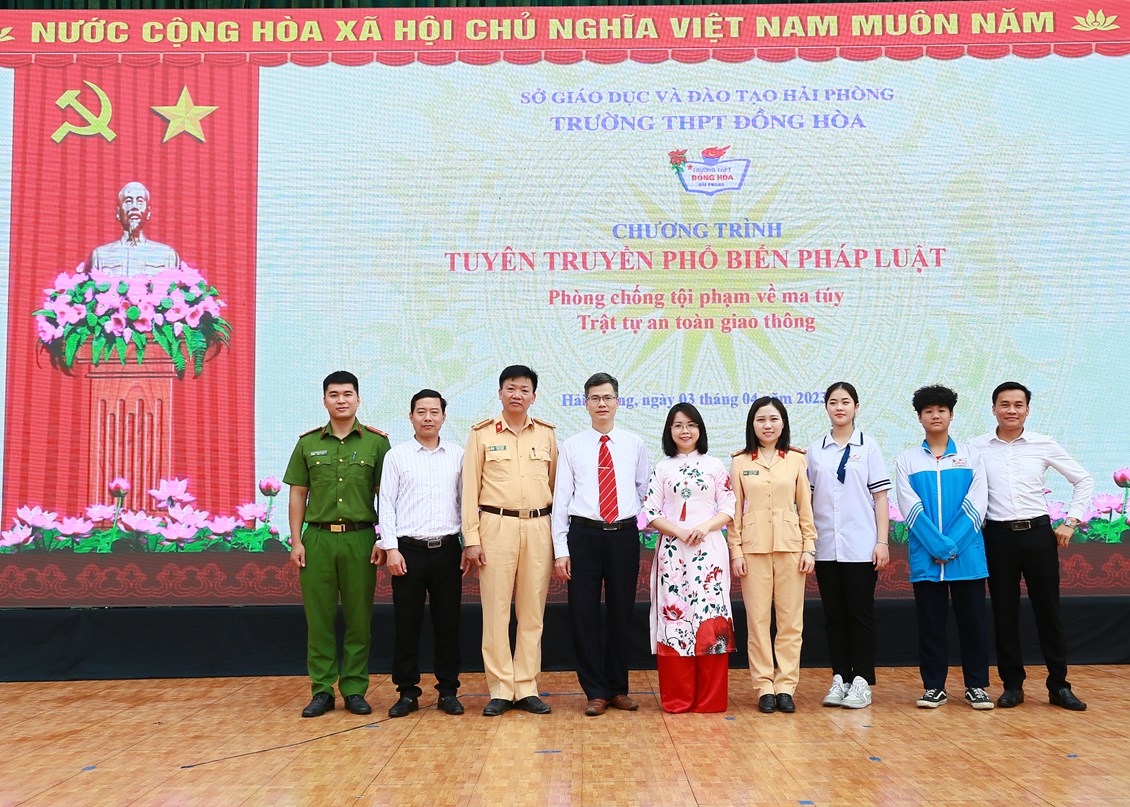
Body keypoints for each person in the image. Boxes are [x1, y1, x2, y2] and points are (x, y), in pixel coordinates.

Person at [970, 382, 1093, 711]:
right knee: (1004, 612)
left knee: (1047, 610)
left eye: (1018, 405)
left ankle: (1059, 685)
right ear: (993, 408)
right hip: (997, 537)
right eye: (1004, 404)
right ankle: (1012, 685)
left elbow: (1083, 479)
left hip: (1038, 535)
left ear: (1027, 410)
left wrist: (1071, 521)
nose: (1011, 410)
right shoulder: (976, 447)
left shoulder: (1043, 444)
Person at [284, 370, 391, 718]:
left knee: (359, 619)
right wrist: (296, 540)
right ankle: (322, 690)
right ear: (324, 400)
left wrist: (383, 538)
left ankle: (355, 689)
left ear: (358, 399)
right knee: (319, 620)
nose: (341, 400)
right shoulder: (308, 443)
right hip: (317, 539)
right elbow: (298, 494)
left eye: (347, 394)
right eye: (334, 394)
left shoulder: (377, 443)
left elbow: (386, 497)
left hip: (361, 539)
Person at [462, 365, 557, 716]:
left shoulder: (546, 434)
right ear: (500, 393)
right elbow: (469, 489)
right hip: (495, 525)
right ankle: (501, 688)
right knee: (496, 610)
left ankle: (527, 686)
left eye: (524, 389)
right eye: (511, 388)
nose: (517, 395)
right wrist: (471, 538)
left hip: (538, 526)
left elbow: (555, 486)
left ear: (534, 396)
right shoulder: (481, 434)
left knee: (532, 612)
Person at [552, 372, 649, 716]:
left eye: (607, 397)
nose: (602, 404)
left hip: (623, 536)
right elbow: (561, 500)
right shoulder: (572, 446)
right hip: (584, 536)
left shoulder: (634, 443)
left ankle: (618, 688)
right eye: (595, 398)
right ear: (586, 403)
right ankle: (595, 690)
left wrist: (636, 527)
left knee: (622, 613)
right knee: (584, 614)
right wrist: (561, 550)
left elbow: (643, 491)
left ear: (617, 402)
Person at [894, 385, 993, 710]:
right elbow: (910, 507)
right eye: (928, 411)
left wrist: (950, 546)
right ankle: (934, 687)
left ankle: (976, 686)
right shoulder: (907, 459)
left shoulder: (970, 456)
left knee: (973, 625)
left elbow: (977, 503)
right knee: (931, 626)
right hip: (927, 558)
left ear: (951, 415)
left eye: (941, 410)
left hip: (967, 558)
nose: (935, 416)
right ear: (919, 417)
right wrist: (937, 546)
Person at [378, 389, 470, 718]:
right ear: (411, 417)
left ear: (444, 417)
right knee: (407, 625)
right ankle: (407, 692)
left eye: (434, 412)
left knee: (448, 625)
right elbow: (386, 503)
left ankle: (448, 691)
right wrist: (391, 548)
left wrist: (467, 543)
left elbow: (465, 503)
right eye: (421, 412)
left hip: (447, 550)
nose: (428, 417)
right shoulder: (397, 456)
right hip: (408, 552)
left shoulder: (458, 455)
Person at [644, 403, 735, 713]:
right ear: (669, 431)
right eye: (678, 425)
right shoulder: (662, 468)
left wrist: (704, 528)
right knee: (676, 618)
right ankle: (678, 698)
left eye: (691, 425)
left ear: (700, 429)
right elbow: (650, 511)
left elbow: (729, 507)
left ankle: (710, 699)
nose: (685, 431)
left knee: (710, 613)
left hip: (709, 550)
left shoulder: (715, 465)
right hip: (673, 552)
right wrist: (680, 532)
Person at [807, 383, 892, 710]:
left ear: (856, 406)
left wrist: (882, 541)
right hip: (826, 546)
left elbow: (880, 497)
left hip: (860, 545)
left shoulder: (868, 446)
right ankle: (840, 677)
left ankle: (862, 681)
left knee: (860, 614)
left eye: (845, 402)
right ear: (826, 408)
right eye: (833, 402)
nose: (839, 407)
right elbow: (807, 499)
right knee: (834, 616)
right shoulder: (816, 450)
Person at [729, 397, 816, 714]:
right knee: (758, 622)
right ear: (752, 424)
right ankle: (764, 686)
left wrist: (809, 546)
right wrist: (736, 551)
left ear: (783, 423)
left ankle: (786, 686)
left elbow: (805, 506)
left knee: (791, 622)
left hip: (791, 547)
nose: (767, 425)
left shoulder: (796, 459)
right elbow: (734, 511)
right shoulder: (740, 461)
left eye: (773, 419)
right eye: (761, 419)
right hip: (753, 549)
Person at [90, 181, 180, 277]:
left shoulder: (166, 254)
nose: (134, 206)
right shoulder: (101, 255)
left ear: (148, 213)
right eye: (128, 201)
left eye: (140, 201)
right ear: (118, 213)